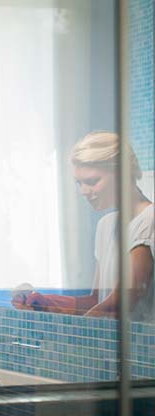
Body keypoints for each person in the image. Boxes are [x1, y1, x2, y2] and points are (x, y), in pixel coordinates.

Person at [13, 131, 154, 318]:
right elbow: (97, 300)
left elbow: (121, 302)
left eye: (92, 181)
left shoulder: (149, 220)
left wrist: (71, 335)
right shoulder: (107, 225)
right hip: (111, 344)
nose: (84, 191)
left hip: (143, 346)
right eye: (79, 183)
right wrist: (45, 303)